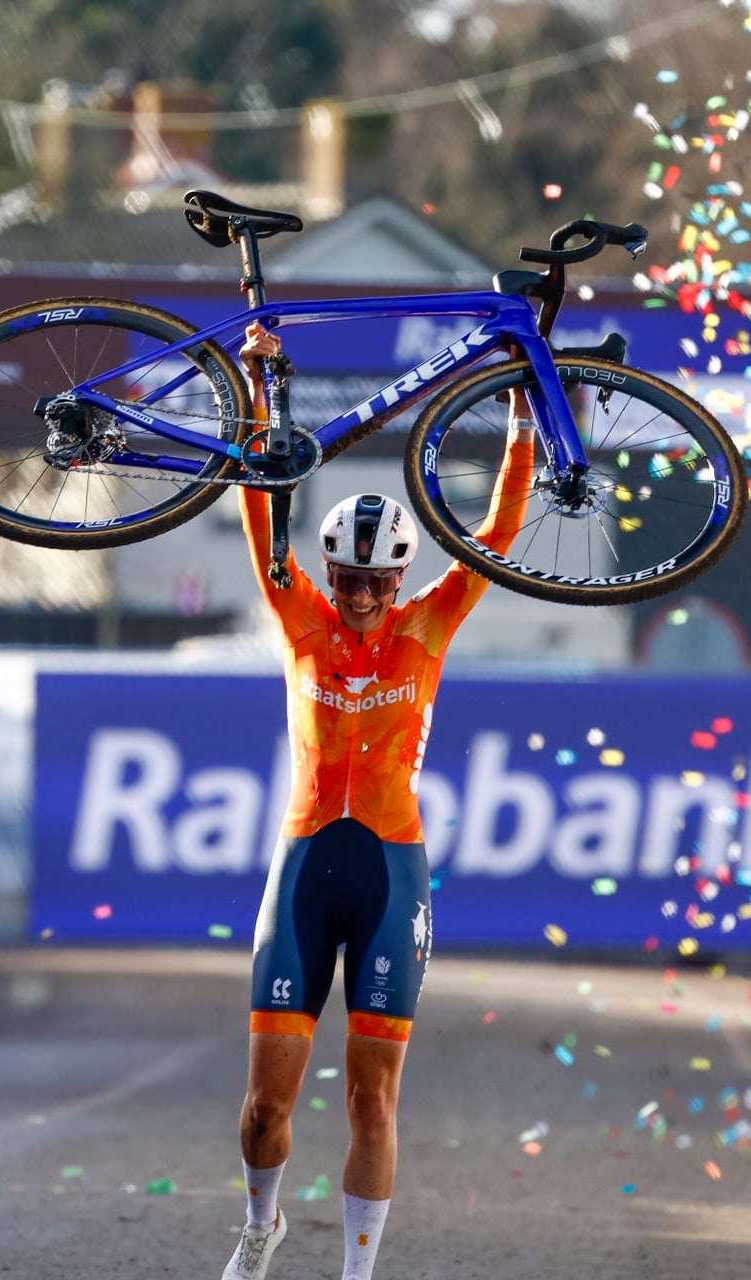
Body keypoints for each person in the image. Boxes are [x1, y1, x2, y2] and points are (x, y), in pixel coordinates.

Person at [220, 322, 535, 1280]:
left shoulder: (428, 625)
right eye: (349, 581)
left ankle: (358, 1276)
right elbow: (260, 507)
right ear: (332, 574)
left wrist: (523, 412)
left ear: (400, 578)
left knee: (372, 1098)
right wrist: (259, 390)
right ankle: (261, 1225)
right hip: (305, 866)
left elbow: (498, 535)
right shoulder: (299, 618)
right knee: (266, 1107)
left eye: (376, 582)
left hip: (393, 872)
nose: (360, 597)